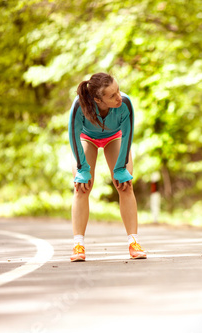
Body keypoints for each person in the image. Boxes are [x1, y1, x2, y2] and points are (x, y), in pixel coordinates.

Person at [68, 72, 146, 261]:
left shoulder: (125, 104)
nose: (119, 96)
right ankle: (78, 245)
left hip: (114, 138)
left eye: (118, 90)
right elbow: (73, 135)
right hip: (87, 138)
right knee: (81, 187)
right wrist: (82, 168)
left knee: (125, 185)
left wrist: (121, 169)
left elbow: (128, 136)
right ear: (97, 99)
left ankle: (134, 242)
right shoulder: (80, 105)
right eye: (112, 96)